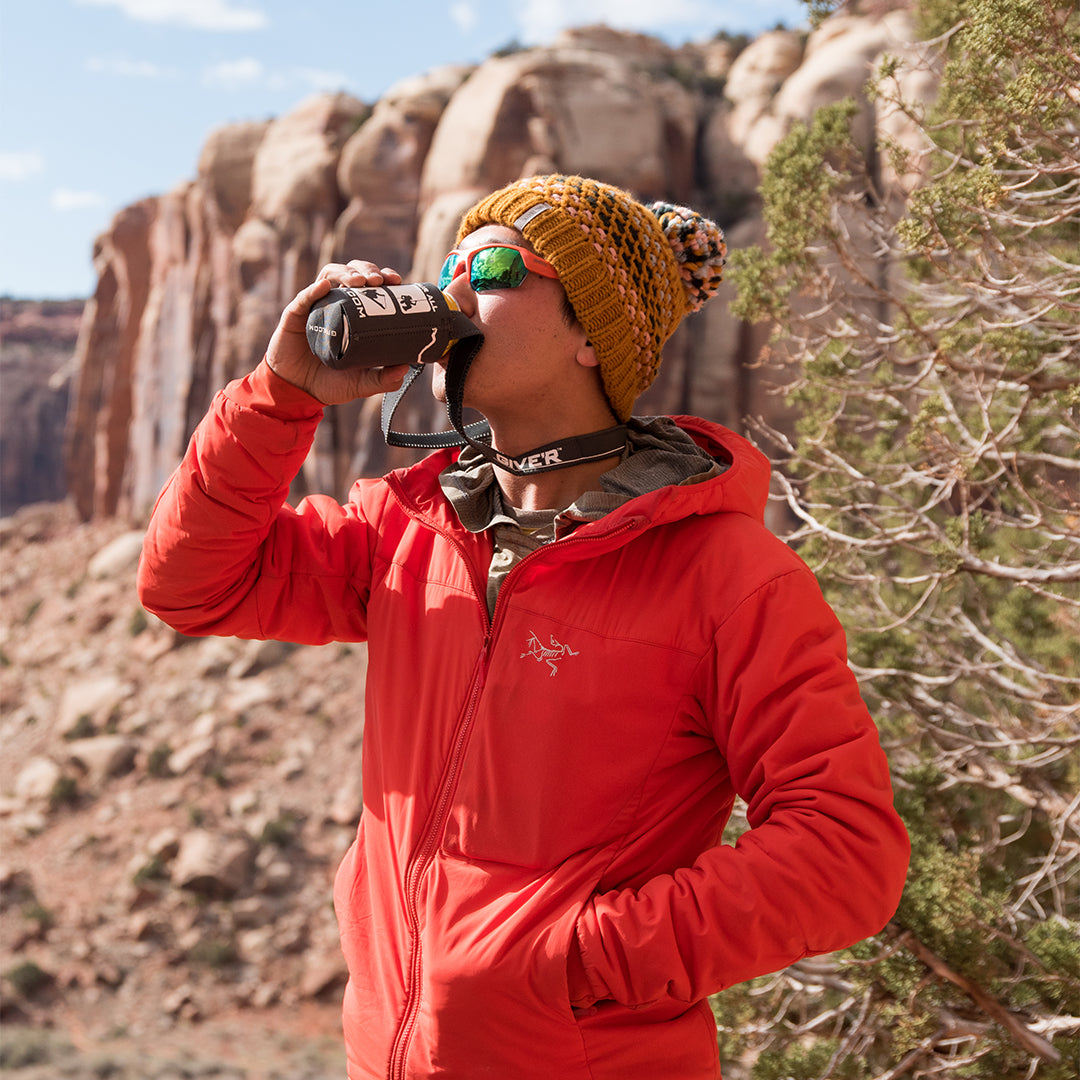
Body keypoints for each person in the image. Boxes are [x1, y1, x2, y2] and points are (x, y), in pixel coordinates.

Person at [138, 174, 910, 1080]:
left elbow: (846, 851)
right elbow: (190, 582)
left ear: (592, 334)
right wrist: (281, 395)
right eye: (451, 263)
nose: (454, 290)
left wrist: (573, 959)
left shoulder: (730, 577)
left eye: (495, 265)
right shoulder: (411, 528)